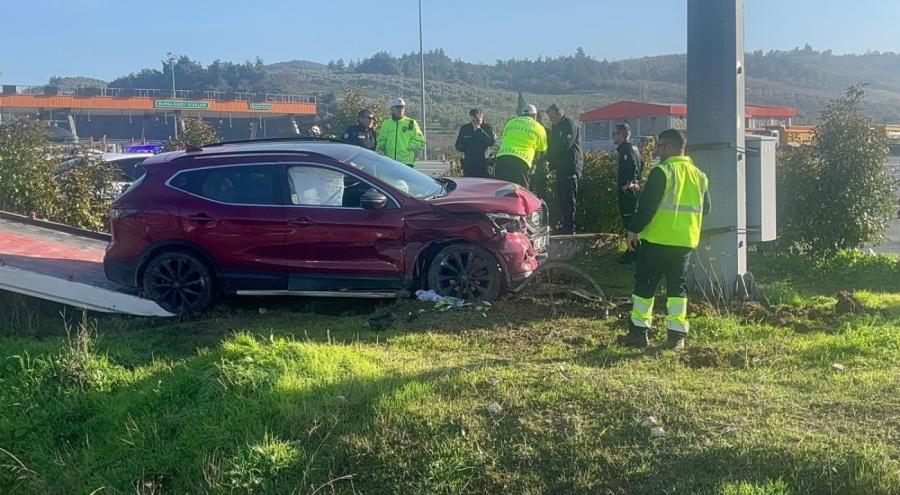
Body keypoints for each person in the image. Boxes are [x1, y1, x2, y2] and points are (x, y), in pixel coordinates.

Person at [619, 128, 711, 351]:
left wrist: (633, 231)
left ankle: (638, 334)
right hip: (684, 241)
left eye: (659, 146)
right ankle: (676, 336)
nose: (657, 149)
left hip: (658, 239)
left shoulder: (663, 171)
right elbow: (706, 208)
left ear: (669, 147)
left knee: (645, 286)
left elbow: (647, 206)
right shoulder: (699, 175)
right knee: (677, 290)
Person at [545, 104, 583, 235]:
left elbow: (564, 146)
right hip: (562, 167)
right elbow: (553, 145)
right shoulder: (556, 126)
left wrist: (549, 157)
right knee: (561, 196)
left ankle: (570, 225)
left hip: (571, 166)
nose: (550, 120)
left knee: (568, 197)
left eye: (552, 117)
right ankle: (565, 223)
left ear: (559, 114)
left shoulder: (569, 125)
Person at [494, 104, 548, 188]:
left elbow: (504, 138)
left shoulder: (510, 122)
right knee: (521, 191)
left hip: (503, 157)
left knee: (501, 189)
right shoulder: (539, 128)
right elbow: (542, 150)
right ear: (535, 115)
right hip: (522, 161)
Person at [614, 123, 644, 262]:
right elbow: (641, 164)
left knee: (629, 221)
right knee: (632, 219)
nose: (613, 137)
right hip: (634, 189)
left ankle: (633, 251)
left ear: (621, 135)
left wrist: (629, 182)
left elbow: (632, 164)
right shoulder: (634, 147)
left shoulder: (626, 149)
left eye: (614, 134)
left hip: (628, 191)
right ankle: (634, 249)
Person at [376, 97, 425, 167]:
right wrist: (383, 146)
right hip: (390, 162)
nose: (400, 110)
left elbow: (421, 141)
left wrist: (408, 146)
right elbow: (381, 139)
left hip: (407, 162)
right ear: (392, 109)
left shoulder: (411, 123)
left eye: (402, 107)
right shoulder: (386, 123)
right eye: (398, 107)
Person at [454, 108, 497, 178]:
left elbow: (491, 142)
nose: (475, 123)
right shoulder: (465, 129)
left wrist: (479, 130)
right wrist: (468, 147)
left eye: (477, 120)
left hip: (484, 165)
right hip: (470, 165)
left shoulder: (487, 128)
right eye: (473, 121)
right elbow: (458, 145)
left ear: (482, 118)